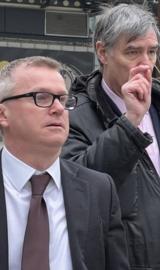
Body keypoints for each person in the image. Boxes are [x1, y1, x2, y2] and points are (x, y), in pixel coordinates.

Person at [61, 4, 160, 270]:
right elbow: (78, 190)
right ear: (102, 52)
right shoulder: (74, 115)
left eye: (151, 52)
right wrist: (130, 122)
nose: (145, 64)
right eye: (132, 52)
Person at [0, 56, 128, 269]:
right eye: (41, 97)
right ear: (3, 114)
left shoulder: (99, 190)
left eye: (63, 99)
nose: (58, 108)